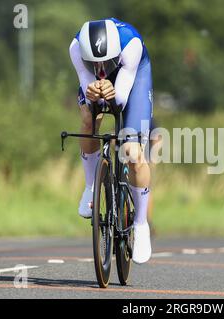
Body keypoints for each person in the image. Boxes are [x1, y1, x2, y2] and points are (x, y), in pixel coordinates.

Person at [69, 18, 153, 264]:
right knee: (88, 119)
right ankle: (90, 186)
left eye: (106, 61)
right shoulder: (75, 48)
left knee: (132, 150)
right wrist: (92, 94)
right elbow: (87, 86)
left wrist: (110, 93)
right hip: (99, 84)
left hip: (133, 78)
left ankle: (141, 224)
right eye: (94, 63)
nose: (101, 67)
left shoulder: (132, 45)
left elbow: (120, 101)